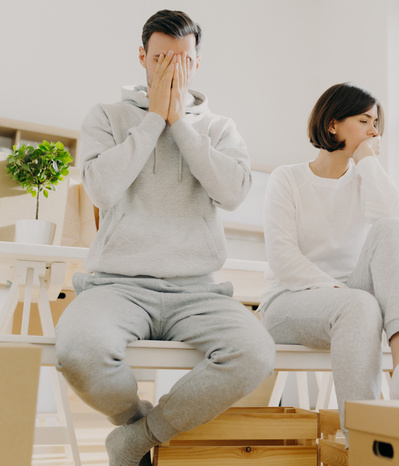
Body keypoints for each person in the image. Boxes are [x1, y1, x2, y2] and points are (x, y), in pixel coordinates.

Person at [54, 10, 275, 466]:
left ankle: (136, 440)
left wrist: (181, 124)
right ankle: (135, 421)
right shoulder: (106, 116)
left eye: (182, 59)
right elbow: (100, 189)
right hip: (116, 285)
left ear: (196, 63)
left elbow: (233, 193)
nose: (172, 68)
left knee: (255, 354)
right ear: (142, 58)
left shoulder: (219, 128)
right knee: (78, 351)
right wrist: (154, 119)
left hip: (197, 290)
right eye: (160, 58)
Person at [259, 83, 399, 438]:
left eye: (377, 123)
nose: (374, 131)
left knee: (392, 231)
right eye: (364, 120)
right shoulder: (287, 178)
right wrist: (343, 294)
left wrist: (367, 160)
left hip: (351, 299)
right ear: (333, 124)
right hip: (289, 302)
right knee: (359, 306)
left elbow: (393, 216)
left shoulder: (365, 177)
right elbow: (282, 259)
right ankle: (361, 441)